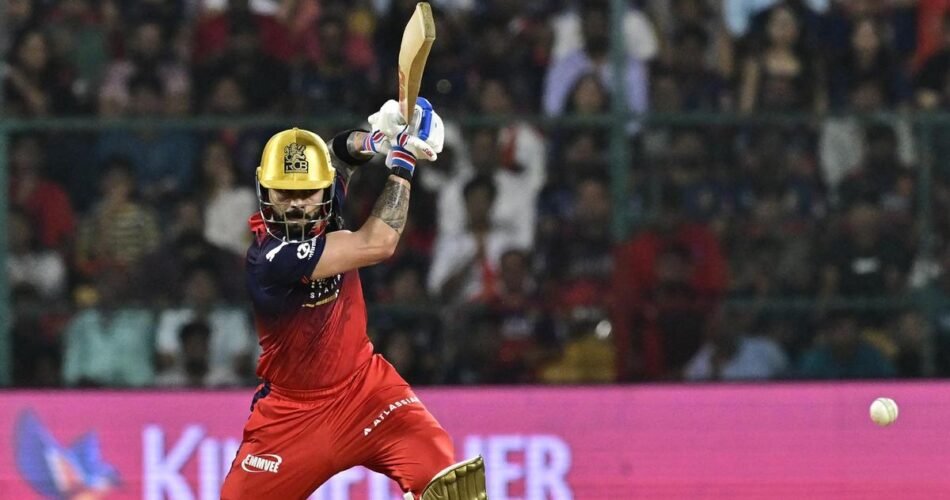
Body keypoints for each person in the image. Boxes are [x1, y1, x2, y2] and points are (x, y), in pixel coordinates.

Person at [220, 98, 486, 499]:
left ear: (325, 189)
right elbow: (378, 243)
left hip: (366, 391)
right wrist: (403, 159)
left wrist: (378, 139)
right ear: (264, 190)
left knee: (445, 481)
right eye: (284, 194)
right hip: (293, 416)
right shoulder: (269, 258)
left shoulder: (327, 207)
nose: (296, 206)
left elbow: (337, 153)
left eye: (307, 193)